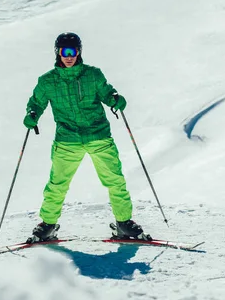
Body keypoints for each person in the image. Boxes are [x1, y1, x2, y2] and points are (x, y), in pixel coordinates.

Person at [23, 32, 145, 241]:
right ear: (58, 53)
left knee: (115, 181)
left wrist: (116, 100)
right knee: (57, 184)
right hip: (67, 140)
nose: (69, 56)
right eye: (64, 52)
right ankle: (48, 224)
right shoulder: (47, 81)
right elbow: (36, 103)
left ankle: (123, 223)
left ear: (79, 52)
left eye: (73, 51)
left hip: (98, 136)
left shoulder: (93, 75)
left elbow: (108, 94)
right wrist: (32, 115)